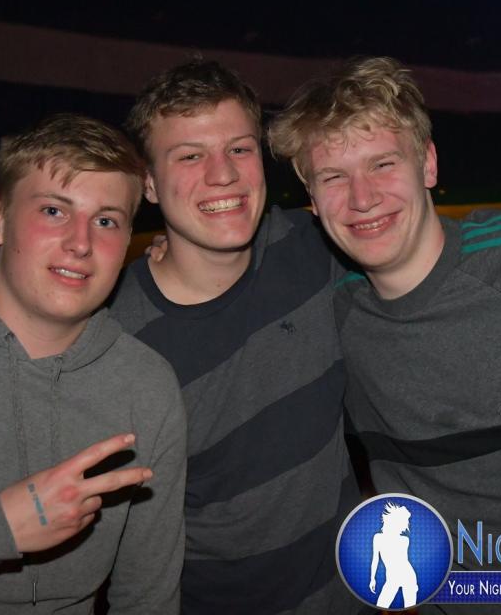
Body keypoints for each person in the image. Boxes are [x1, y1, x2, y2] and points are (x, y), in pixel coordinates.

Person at [269, 56, 501, 613]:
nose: (362, 198)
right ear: (312, 201)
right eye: (334, 177)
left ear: (428, 165)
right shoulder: (325, 318)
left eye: (383, 164)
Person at [110, 59, 361, 614]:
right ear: (148, 182)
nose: (222, 174)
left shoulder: (316, 248)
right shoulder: (115, 340)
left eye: (239, 148)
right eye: (190, 155)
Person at [0, 114, 186, 613]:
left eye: (106, 221)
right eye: (54, 210)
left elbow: (148, 598)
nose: (80, 242)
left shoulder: (146, 386)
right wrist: (0, 528)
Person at [369, 502, 417, 609]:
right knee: (381, 606)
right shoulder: (378, 538)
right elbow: (375, 559)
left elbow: (403, 561)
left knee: (410, 609)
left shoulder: (405, 540)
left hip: (408, 576)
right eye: (404, 522)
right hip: (392, 578)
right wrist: (372, 578)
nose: (405, 526)